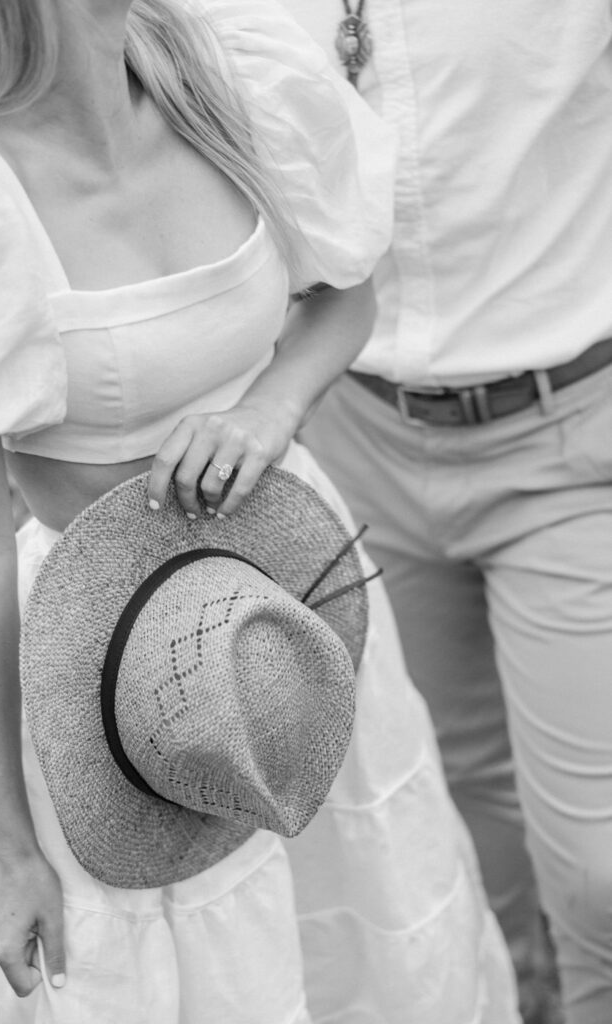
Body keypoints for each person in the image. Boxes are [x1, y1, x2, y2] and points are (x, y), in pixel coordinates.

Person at [0, 1, 518, 1021]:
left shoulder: (221, 67)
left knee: (373, 921)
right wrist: (12, 844)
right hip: (108, 668)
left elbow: (345, 293)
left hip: (285, 610)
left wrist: (268, 407)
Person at [273, 2, 612, 1023]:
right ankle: (510, 994)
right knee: (444, 818)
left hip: (564, 434)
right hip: (350, 428)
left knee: (599, 865)